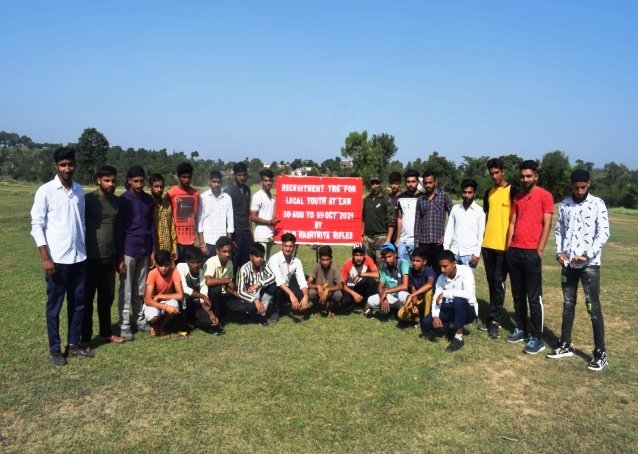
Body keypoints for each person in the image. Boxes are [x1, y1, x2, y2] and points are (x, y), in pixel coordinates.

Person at [30, 147, 93, 366]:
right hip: (56, 261)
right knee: (54, 307)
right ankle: (55, 350)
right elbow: (37, 225)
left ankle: (73, 345)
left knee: (78, 305)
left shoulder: (79, 190)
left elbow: (81, 222)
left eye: (70, 164)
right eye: (63, 165)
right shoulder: (46, 191)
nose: (67, 169)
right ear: (56, 166)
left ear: (75, 165)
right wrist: (45, 258)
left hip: (79, 258)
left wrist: (83, 250)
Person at [547, 169, 611, 371]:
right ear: (571, 186)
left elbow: (604, 233)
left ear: (589, 184)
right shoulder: (565, 205)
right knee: (568, 304)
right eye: (576, 188)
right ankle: (565, 344)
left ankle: (600, 353)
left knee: (593, 307)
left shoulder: (597, 204)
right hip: (568, 265)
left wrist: (587, 253)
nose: (580, 191)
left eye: (583, 187)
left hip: (589, 265)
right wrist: (559, 252)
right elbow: (559, 230)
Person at [505, 160, 554, 354]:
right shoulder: (517, 197)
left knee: (534, 297)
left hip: (532, 251)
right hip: (515, 251)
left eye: (528, 176)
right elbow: (512, 223)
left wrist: (539, 249)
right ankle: (521, 329)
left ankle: (537, 338)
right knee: (518, 295)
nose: (525, 179)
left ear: (536, 176)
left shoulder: (545, 196)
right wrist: (509, 247)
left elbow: (547, 223)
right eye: (522, 176)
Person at [81, 165, 125, 349]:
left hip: (110, 257)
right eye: (107, 180)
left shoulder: (116, 201)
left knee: (107, 298)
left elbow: (119, 231)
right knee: (87, 300)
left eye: (113, 181)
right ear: (98, 180)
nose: (110, 184)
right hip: (90, 258)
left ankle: (106, 332)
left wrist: (119, 257)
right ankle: (85, 338)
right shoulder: (87, 200)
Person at [116, 166, 157, 341]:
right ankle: (125, 325)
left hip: (145, 250)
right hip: (128, 250)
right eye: (136, 181)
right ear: (129, 181)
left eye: (141, 181)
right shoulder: (123, 200)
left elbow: (152, 227)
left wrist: (153, 250)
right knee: (126, 289)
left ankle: (140, 320)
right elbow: (119, 230)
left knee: (140, 289)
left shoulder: (148, 200)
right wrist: (119, 256)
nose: (139, 184)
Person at [480, 157, 517, 339]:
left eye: (497, 173)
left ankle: (495, 320)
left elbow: (516, 219)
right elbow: (488, 217)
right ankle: (492, 316)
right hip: (488, 246)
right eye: (491, 173)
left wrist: (511, 245)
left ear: (503, 172)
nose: (494, 176)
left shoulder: (513, 191)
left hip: (503, 248)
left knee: (499, 283)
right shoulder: (488, 193)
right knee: (491, 283)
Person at [420, 250, 478, 351]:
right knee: (426, 322)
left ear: (453, 264)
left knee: (458, 300)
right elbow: (436, 298)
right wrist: (435, 316)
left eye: (445, 266)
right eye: (440, 266)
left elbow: (469, 294)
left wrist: (446, 293)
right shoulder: (441, 278)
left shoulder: (466, 271)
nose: (442, 269)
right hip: (450, 308)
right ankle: (449, 326)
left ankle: (458, 338)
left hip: (468, 310)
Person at [176, 246, 225, 335]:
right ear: (187, 261)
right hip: (181, 305)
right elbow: (184, 289)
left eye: (198, 262)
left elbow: (203, 296)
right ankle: (183, 328)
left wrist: (211, 314)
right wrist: (202, 296)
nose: (196, 265)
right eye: (193, 262)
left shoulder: (201, 272)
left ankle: (193, 322)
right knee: (185, 297)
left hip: (194, 305)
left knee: (211, 323)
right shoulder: (181, 267)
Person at [414, 169, 453, 274]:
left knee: (439, 270)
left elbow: (453, 217)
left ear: (435, 182)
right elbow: (417, 222)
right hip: (424, 242)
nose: (428, 185)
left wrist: (446, 236)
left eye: (430, 182)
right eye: (426, 183)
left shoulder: (444, 196)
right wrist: (416, 243)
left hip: (438, 242)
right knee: (424, 271)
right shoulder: (420, 200)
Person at [443, 178, 485, 272]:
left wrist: (477, 254)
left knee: (467, 281)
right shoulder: (455, 209)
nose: (467, 195)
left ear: (474, 194)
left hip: (469, 255)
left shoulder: (479, 211)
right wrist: (446, 250)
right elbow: (449, 229)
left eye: (470, 193)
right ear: (461, 193)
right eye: (464, 192)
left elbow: (481, 235)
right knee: (452, 280)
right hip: (454, 253)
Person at [267, 232, 310, 321]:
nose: (287, 249)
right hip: (271, 287)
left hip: (286, 286)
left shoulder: (297, 261)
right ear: (281, 246)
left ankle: (286, 305)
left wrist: (306, 296)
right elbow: (278, 280)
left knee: (302, 295)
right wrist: (291, 294)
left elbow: (302, 280)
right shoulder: (274, 259)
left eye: (290, 246)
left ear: (294, 247)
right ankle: (275, 310)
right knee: (277, 288)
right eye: (285, 246)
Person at [142, 250, 184, 339]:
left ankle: (162, 326)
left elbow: (180, 295)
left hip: (165, 300)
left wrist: (160, 296)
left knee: (175, 305)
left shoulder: (175, 272)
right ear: (156, 265)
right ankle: (155, 325)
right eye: (160, 265)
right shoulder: (152, 273)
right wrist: (166, 307)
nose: (163, 268)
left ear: (170, 263)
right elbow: (147, 299)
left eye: (166, 265)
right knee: (153, 317)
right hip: (153, 302)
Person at [235, 243, 277, 326]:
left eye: (262, 256)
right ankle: (256, 313)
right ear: (251, 257)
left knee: (273, 286)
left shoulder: (264, 264)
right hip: (249, 297)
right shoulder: (244, 269)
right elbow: (240, 291)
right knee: (248, 307)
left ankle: (261, 313)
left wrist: (258, 284)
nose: (260, 259)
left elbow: (273, 276)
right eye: (257, 256)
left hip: (260, 292)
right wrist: (255, 300)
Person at [364, 243, 410, 318]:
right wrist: (384, 298)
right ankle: (391, 310)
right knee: (371, 300)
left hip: (403, 296)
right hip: (390, 296)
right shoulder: (384, 268)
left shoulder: (403, 263)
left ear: (395, 254)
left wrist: (386, 291)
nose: (387, 260)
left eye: (389, 256)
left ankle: (402, 311)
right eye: (385, 257)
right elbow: (380, 287)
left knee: (402, 295)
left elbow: (405, 286)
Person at [166, 162, 199, 262]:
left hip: (190, 239)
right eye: (184, 177)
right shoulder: (171, 193)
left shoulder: (195, 194)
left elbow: (195, 215)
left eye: (189, 177)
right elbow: (167, 216)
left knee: (188, 266)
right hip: (176, 239)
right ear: (178, 177)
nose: (187, 180)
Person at [198, 170, 234, 260]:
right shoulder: (203, 198)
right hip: (208, 241)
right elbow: (199, 222)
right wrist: (202, 244)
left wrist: (228, 242)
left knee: (222, 267)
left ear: (221, 183)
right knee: (207, 267)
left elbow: (230, 222)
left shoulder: (227, 198)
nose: (216, 184)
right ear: (209, 182)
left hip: (222, 242)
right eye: (214, 182)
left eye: (218, 182)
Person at [225, 162, 254, 272]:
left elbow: (248, 212)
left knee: (246, 265)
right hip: (235, 232)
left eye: (244, 175)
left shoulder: (247, 189)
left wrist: (251, 233)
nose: (242, 177)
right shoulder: (228, 191)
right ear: (234, 175)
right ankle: (232, 283)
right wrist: (230, 238)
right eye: (239, 175)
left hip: (246, 232)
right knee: (233, 264)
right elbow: (226, 215)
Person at [397, 246, 436, 324]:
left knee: (428, 293)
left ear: (424, 262)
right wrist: (415, 304)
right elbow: (413, 288)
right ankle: (418, 316)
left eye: (418, 261)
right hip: (419, 300)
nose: (414, 263)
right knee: (400, 314)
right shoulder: (411, 271)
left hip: (430, 301)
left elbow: (429, 285)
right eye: (413, 260)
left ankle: (426, 321)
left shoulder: (429, 271)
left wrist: (411, 295)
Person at [362, 174, 396, 263]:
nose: (375, 185)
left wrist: (388, 240)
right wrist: (363, 235)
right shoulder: (366, 199)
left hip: (381, 238)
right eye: (373, 183)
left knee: (381, 265)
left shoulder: (386, 199)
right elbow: (363, 218)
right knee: (367, 265)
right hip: (367, 239)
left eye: (377, 183)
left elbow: (392, 221)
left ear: (380, 184)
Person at [204, 236, 236, 326]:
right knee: (216, 289)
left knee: (243, 305)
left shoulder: (230, 263)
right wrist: (226, 280)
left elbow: (230, 284)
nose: (227, 254)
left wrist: (235, 292)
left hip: (223, 295)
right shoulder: (211, 261)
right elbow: (208, 281)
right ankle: (216, 318)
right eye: (224, 251)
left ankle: (222, 313)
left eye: (229, 251)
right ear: (217, 251)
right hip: (209, 296)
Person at [340, 243, 380, 313]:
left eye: (361, 255)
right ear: (353, 255)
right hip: (352, 288)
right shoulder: (347, 264)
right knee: (345, 302)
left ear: (364, 255)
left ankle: (368, 304)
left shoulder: (368, 259)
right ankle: (355, 303)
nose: (359, 258)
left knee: (371, 281)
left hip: (363, 286)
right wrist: (354, 294)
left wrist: (361, 274)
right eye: (356, 255)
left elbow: (378, 275)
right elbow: (341, 284)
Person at [307, 245, 343, 317]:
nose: (325, 262)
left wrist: (328, 290)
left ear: (331, 258)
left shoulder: (334, 267)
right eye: (322, 260)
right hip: (319, 293)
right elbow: (308, 283)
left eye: (327, 260)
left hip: (330, 294)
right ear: (319, 259)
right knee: (311, 293)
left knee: (338, 294)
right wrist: (317, 286)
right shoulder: (316, 266)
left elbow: (340, 286)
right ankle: (318, 306)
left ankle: (331, 308)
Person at [149, 173, 178, 261]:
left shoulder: (167, 204)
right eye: (156, 186)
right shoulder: (147, 204)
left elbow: (171, 227)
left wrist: (174, 247)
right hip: (153, 250)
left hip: (167, 249)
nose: (159, 189)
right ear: (150, 186)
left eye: (161, 187)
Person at [251, 168, 278, 259]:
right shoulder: (258, 196)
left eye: (270, 181)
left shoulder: (272, 197)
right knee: (260, 262)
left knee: (267, 263)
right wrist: (270, 222)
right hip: (261, 236)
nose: (268, 183)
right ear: (261, 182)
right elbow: (253, 217)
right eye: (266, 181)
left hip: (270, 235)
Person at [395, 169, 421, 263]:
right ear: (405, 183)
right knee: (402, 268)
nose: (411, 184)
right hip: (402, 241)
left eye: (413, 181)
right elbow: (399, 218)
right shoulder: (400, 198)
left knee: (416, 268)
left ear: (417, 182)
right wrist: (398, 238)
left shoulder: (422, 197)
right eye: (408, 182)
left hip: (417, 241)